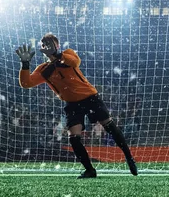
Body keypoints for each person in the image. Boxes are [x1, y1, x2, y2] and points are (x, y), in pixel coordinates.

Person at [16, 33, 138, 178]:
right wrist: (25, 65)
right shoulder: (44, 69)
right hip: (72, 104)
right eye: (44, 44)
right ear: (42, 48)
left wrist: (57, 54)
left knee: (109, 126)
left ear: (57, 45)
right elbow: (26, 83)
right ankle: (90, 170)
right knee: (74, 137)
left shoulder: (68, 55)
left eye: (50, 44)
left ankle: (129, 158)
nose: (47, 46)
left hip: (90, 98)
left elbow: (75, 62)